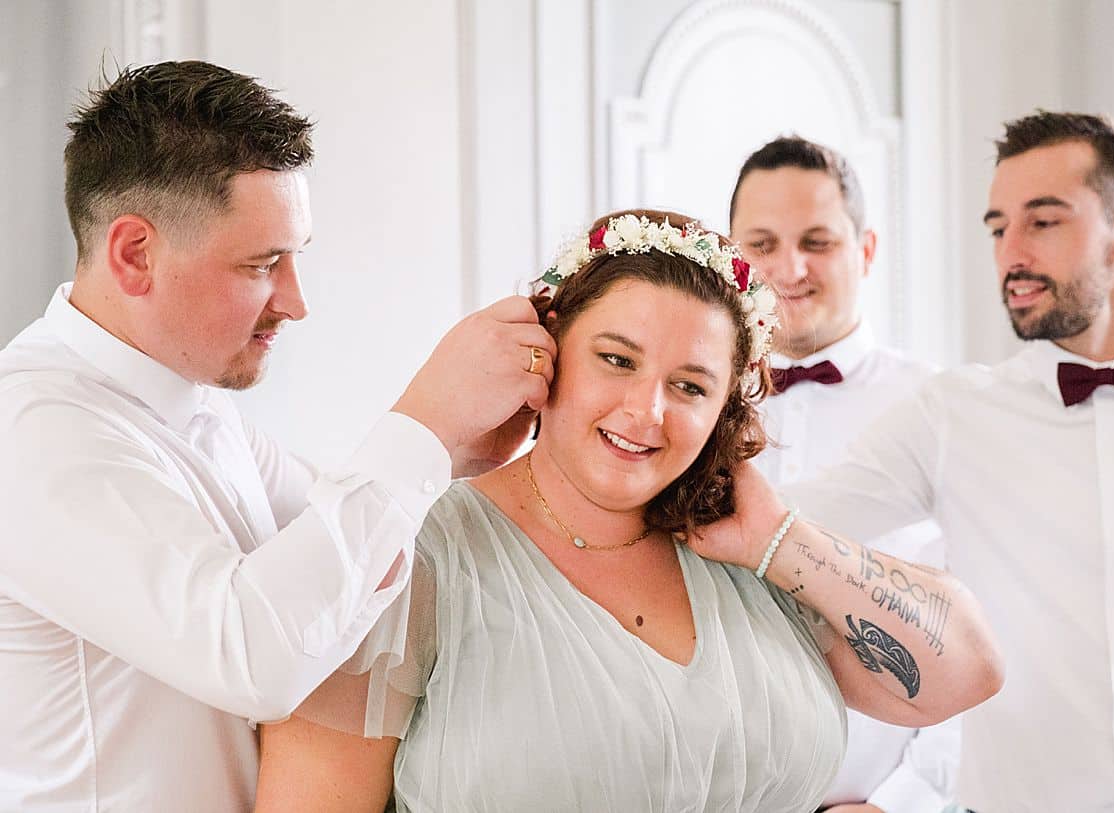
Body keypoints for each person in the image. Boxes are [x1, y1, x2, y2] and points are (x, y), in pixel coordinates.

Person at [252, 210, 1004, 812]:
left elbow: (966, 669)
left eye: (690, 385)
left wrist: (783, 540)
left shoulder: (751, 556)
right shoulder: (413, 553)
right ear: (548, 352)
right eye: (617, 359)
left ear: (722, 412)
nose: (646, 411)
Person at [0, 61, 556, 812]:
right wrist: (425, 423)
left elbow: (331, 556)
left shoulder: (188, 401)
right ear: (136, 254)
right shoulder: (33, 431)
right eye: (263, 264)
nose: (295, 301)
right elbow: (253, 653)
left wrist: (453, 454)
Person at [776, 112, 1114, 811]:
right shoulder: (949, 415)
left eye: (1042, 222)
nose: (1010, 252)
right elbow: (786, 520)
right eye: (996, 227)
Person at [730, 136, 957, 813]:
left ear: (866, 249)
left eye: (818, 241)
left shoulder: (940, 409)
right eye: (762, 243)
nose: (789, 267)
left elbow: (988, 626)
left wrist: (906, 800)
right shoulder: (686, 406)